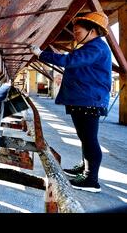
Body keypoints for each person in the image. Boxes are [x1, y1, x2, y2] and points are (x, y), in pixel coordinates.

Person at [29, 11, 112, 193]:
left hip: (89, 100)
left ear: (93, 31)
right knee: (85, 138)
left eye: (79, 32)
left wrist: (42, 54)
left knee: (90, 140)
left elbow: (70, 60)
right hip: (84, 99)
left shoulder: (96, 47)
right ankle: (85, 169)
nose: (76, 35)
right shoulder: (92, 46)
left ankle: (92, 181)